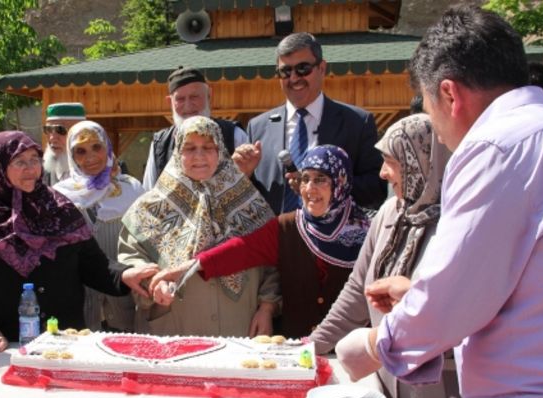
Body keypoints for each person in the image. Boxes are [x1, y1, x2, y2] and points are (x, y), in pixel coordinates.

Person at [335, 6, 543, 398]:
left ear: (449, 93)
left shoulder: (493, 147)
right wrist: (420, 294)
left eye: (427, 110)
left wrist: (373, 343)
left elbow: (454, 298)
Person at [307, 115, 483, 398]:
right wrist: (310, 349)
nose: (384, 174)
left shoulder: (459, 223)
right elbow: (357, 293)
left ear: (424, 160)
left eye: (393, 161)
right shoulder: (390, 214)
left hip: (438, 392)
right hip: (383, 382)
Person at [0, 131, 156, 365]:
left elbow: (94, 265)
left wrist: (125, 274)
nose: (30, 168)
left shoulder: (58, 207)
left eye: (34, 160)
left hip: (61, 346)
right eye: (19, 162)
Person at [150, 144, 369, 339]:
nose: (309, 188)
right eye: (305, 178)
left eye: (320, 179)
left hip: (352, 349)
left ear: (341, 182)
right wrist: (182, 270)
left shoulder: (367, 230)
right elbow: (239, 251)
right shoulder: (288, 227)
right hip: (297, 350)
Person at [120, 116, 280, 337]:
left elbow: (272, 260)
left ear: (220, 151)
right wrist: (152, 284)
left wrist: (267, 307)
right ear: (177, 152)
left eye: (208, 147)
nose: (199, 156)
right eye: (190, 148)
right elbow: (131, 257)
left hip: (240, 326)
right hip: (175, 328)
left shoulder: (249, 201)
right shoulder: (149, 207)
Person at [233, 32, 386, 214]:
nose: (294, 78)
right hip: (276, 239)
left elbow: (376, 188)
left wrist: (324, 186)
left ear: (322, 68)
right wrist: (243, 176)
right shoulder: (258, 127)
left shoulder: (357, 122)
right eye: (285, 71)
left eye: (303, 68)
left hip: (334, 238)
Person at [53, 121, 145, 332]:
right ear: (71, 156)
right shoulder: (59, 195)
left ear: (108, 147)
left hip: (126, 295)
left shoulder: (132, 189)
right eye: (80, 151)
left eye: (97, 147)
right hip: (80, 298)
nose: (90, 157)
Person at [142, 66, 249, 189]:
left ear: (209, 95)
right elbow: (149, 192)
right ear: (169, 102)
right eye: (180, 99)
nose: (188, 105)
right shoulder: (160, 145)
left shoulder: (234, 135)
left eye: (194, 97)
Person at [42, 102, 86, 185]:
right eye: (48, 130)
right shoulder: (38, 174)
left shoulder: (95, 172)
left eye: (60, 130)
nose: (52, 138)